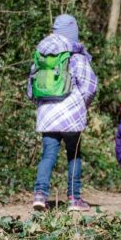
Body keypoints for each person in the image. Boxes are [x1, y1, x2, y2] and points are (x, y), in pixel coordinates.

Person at [30, 14, 97, 211]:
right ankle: (74, 199)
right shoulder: (76, 56)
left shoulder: (41, 56)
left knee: (48, 155)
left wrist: (41, 104)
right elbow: (90, 86)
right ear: (72, 32)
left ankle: (40, 195)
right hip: (71, 115)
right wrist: (82, 105)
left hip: (47, 114)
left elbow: (31, 85)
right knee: (73, 155)